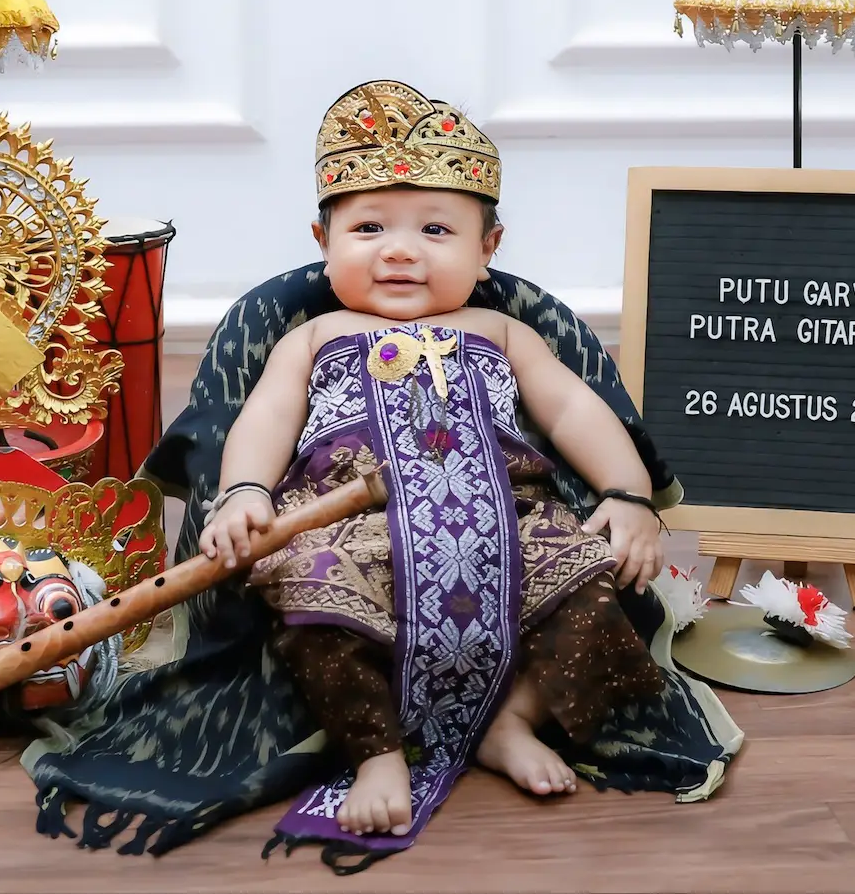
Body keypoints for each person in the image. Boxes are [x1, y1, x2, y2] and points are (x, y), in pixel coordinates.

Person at [195, 79, 678, 854]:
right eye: (368, 227)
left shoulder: (500, 329)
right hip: (352, 524)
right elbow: (266, 418)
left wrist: (628, 493)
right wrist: (243, 491)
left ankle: (513, 718)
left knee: (596, 581)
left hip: (506, 520)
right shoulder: (314, 336)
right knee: (309, 591)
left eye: (435, 229)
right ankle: (374, 749)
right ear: (322, 240)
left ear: (488, 250)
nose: (398, 249)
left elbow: (573, 410)